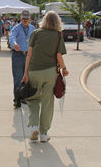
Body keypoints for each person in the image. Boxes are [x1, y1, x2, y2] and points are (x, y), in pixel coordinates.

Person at [21, 10, 69, 143]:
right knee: (47, 102)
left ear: (44, 20)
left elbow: (29, 54)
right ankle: (44, 133)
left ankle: (34, 125)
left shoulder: (35, 33)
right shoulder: (58, 35)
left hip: (34, 70)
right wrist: (64, 69)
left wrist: (25, 73)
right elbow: (59, 56)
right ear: (57, 22)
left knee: (33, 99)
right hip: (50, 72)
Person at [9, 10, 35, 108]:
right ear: (20, 18)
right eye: (23, 19)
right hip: (18, 55)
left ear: (30, 19)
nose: (25, 20)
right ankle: (17, 99)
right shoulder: (16, 28)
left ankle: (24, 97)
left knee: (27, 78)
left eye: (27, 19)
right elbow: (12, 37)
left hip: (29, 55)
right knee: (18, 78)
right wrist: (14, 44)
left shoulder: (32, 28)